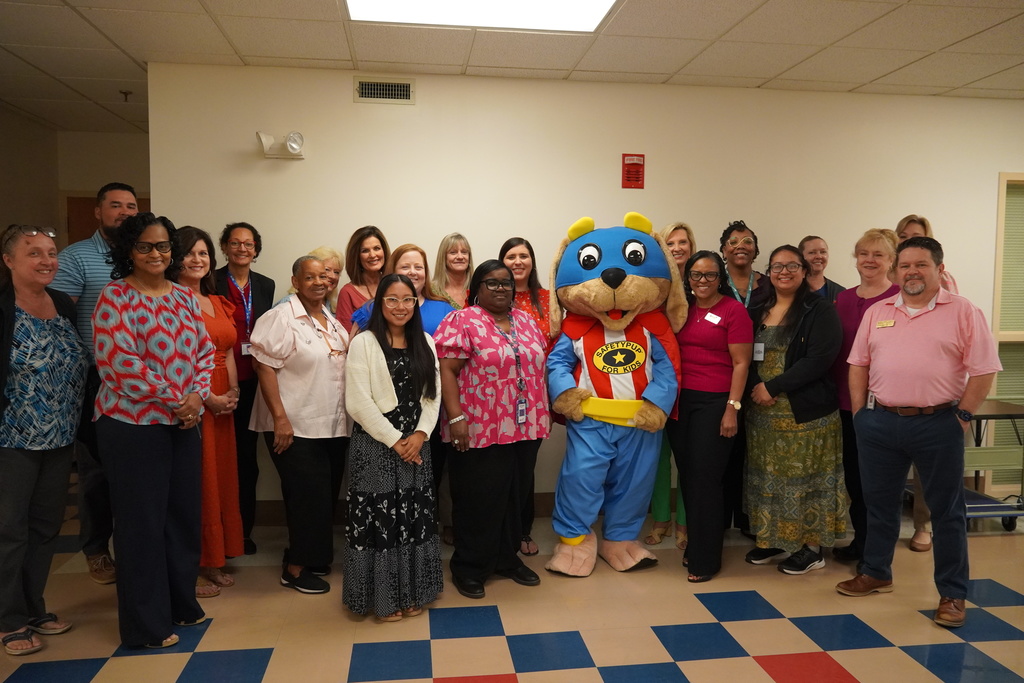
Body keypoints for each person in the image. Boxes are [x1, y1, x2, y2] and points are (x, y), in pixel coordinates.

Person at [838, 236, 1000, 629]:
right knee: (879, 504)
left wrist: (962, 415)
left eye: (921, 265)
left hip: (938, 423)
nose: (912, 272)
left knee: (947, 512)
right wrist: (861, 414)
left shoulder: (964, 312)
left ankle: (952, 593)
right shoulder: (878, 312)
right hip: (880, 422)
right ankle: (876, 571)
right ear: (897, 271)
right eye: (905, 265)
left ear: (939, 269)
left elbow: (984, 369)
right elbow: (858, 363)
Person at [93, 212, 214, 648]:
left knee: (181, 518)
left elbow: (204, 351)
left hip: (184, 422)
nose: (156, 253)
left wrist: (197, 397)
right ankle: (146, 626)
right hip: (132, 426)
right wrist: (176, 399)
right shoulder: (115, 298)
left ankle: (181, 606)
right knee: (141, 525)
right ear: (129, 250)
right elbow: (120, 363)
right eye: (145, 246)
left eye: (163, 246)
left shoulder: (183, 297)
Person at [434, 260, 550, 599]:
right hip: (479, 427)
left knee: (515, 495)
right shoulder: (462, 320)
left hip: (525, 426)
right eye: (492, 282)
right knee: (478, 499)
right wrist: (456, 419)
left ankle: (506, 559)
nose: (501, 288)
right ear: (477, 287)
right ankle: (469, 566)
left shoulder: (526, 321)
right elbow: (447, 371)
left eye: (506, 282)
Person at [0, 225, 88, 656]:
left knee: (45, 527)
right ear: (9, 261)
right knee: (9, 531)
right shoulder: (4, 309)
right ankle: (8, 619)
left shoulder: (62, 306)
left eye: (51, 253)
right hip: (11, 439)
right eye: (33, 253)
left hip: (59, 438)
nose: (46, 260)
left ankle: (34, 607)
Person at [50, 181, 138, 585]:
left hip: (143, 383)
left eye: (131, 206)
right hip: (97, 380)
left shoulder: (140, 257)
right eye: (115, 205)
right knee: (97, 473)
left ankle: (136, 549)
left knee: (134, 473)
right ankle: (96, 547)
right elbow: (57, 318)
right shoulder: (77, 258)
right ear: (98, 212)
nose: (124, 212)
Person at [343, 274, 443, 622]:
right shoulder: (364, 343)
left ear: (416, 304)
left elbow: (434, 396)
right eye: (392, 300)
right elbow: (357, 402)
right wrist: (396, 440)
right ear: (379, 304)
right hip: (376, 446)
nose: (400, 307)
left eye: (407, 300)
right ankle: (383, 600)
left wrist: (419, 435)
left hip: (417, 445)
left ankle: (413, 592)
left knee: (413, 519)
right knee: (381, 522)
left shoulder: (426, 342)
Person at [250, 256, 349, 595]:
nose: (319, 282)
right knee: (308, 496)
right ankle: (295, 569)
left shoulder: (331, 320)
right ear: (295, 280)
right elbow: (263, 366)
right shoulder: (280, 317)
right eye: (310, 277)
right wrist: (280, 418)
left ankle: (312, 557)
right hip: (294, 424)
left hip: (331, 425)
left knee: (323, 495)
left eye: (324, 276)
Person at [745, 245, 846, 575]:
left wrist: (772, 387)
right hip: (763, 416)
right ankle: (777, 538)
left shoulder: (819, 310)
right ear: (769, 272)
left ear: (804, 271)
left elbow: (819, 360)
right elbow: (745, 354)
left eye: (791, 266)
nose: (783, 272)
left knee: (805, 481)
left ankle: (810, 547)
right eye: (777, 266)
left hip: (806, 415)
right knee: (771, 480)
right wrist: (759, 387)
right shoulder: (758, 308)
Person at [667, 250, 752, 582]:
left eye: (710, 275)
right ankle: (697, 546)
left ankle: (707, 558)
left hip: (716, 403)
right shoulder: (680, 310)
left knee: (706, 480)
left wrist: (733, 408)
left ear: (721, 278)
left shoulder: (733, 311)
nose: (703, 281)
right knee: (688, 477)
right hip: (681, 403)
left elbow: (742, 363)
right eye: (696, 275)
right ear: (687, 278)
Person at [173, 227, 243, 596]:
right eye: (189, 253)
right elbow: (177, 357)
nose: (198, 260)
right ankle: (192, 564)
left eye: (203, 254)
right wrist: (206, 397)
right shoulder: (170, 300)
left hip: (222, 401)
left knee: (221, 477)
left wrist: (231, 391)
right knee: (196, 481)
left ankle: (215, 558)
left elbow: (228, 350)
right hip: (192, 399)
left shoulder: (217, 301)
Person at [830, 229, 899, 564]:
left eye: (878, 255)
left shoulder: (900, 298)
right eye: (863, 254)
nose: (870, 261)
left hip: (885, 406)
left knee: (880, 482)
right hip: (845, 404)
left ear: (891, 260)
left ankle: (876, 552)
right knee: (855, 478)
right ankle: (861, 542)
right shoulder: (843, 299)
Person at [895, 214, 957, 553]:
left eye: (915, 238)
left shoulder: (953, 299)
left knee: (927, 478)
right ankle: (876, 563)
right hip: (889, 409)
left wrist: (963, 414)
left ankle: (924, 525)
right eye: (902, 238)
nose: (908, 241)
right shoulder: (888, 292)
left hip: (935, 409)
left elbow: (980, 364)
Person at [215, 222, 275, 557]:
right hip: (222, 381)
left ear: (256, 249)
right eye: (235, 243)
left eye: (249, 243)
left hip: (257, 379)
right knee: (226, 457)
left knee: (248, 460)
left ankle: (244, 531)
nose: (242, 248)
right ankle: (220, 529)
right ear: (224, 246)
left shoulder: (265, 285)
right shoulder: (211, 280)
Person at [498, 238, 550, 556]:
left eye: (524, 256)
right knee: (501, 469)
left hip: (535, 397)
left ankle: (523, 530)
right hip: (497, 401)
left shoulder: (546, 299)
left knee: (525, 468)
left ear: (532, 261)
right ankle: (501, 532)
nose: (518, 262)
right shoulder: (491, 297)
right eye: (511, 256)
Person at [644, 222, 694, 549]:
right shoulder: (654, 288)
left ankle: (685, 523)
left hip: (693, 386)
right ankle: (661, 517)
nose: (677, 248)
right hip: (656, 385)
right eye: (670, 242)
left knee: (689, 459)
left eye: (682, 242)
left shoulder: (701, 286)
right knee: (657, 458)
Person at [719, 220, 767, 537]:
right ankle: (721, 521)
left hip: (762, 380)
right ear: (723, 251)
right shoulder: (713, 284)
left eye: (747, 241)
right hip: (723, 377)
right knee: (725, 451)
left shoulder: (770, 285)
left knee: (756, 452)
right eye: (733, 241)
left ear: (755, 250)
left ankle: (751, 521)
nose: (740, 245)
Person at [351, 244, 454, 336]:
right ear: (393, 271)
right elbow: (354, 352)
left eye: (418, 267)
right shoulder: (371, 309)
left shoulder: (445, 311)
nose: (413, 272)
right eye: (405, 267)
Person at [337, 226, 390, 331]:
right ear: (356, 256)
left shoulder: (395, 285)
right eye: (365, 251)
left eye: (377, 248)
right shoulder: (347, 292)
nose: (372, 255)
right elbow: (346, 336)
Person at [432, 233, 473, 310]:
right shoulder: (431, 291)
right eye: (453, 252)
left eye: (464, 252)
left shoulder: (479, 289)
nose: (460, 257)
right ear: (443, 257)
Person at [800, 235, 845, 304]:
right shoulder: (792, 290)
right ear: (801, 257)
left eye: (823, 252)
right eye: (812, 252)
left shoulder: (840, 292)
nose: (818, 256)